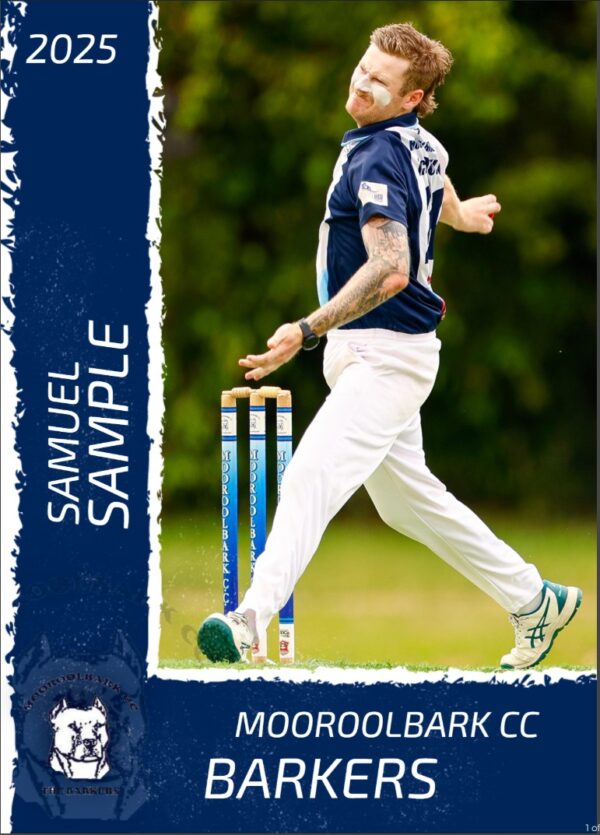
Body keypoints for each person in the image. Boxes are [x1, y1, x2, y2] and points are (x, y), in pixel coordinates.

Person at [198, 23, 582, 670]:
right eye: (363, 66)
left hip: (384, 356)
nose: (361, 82)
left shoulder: (376, 155)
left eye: (380, 80)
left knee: (311, 473)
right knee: (407, 504)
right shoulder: (415, 141)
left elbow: (391, 268)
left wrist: (306, 329)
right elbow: (435, 174)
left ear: (411, 98)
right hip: (389, 352)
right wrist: (461, 215)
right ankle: (533, 599)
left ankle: (248, 619)